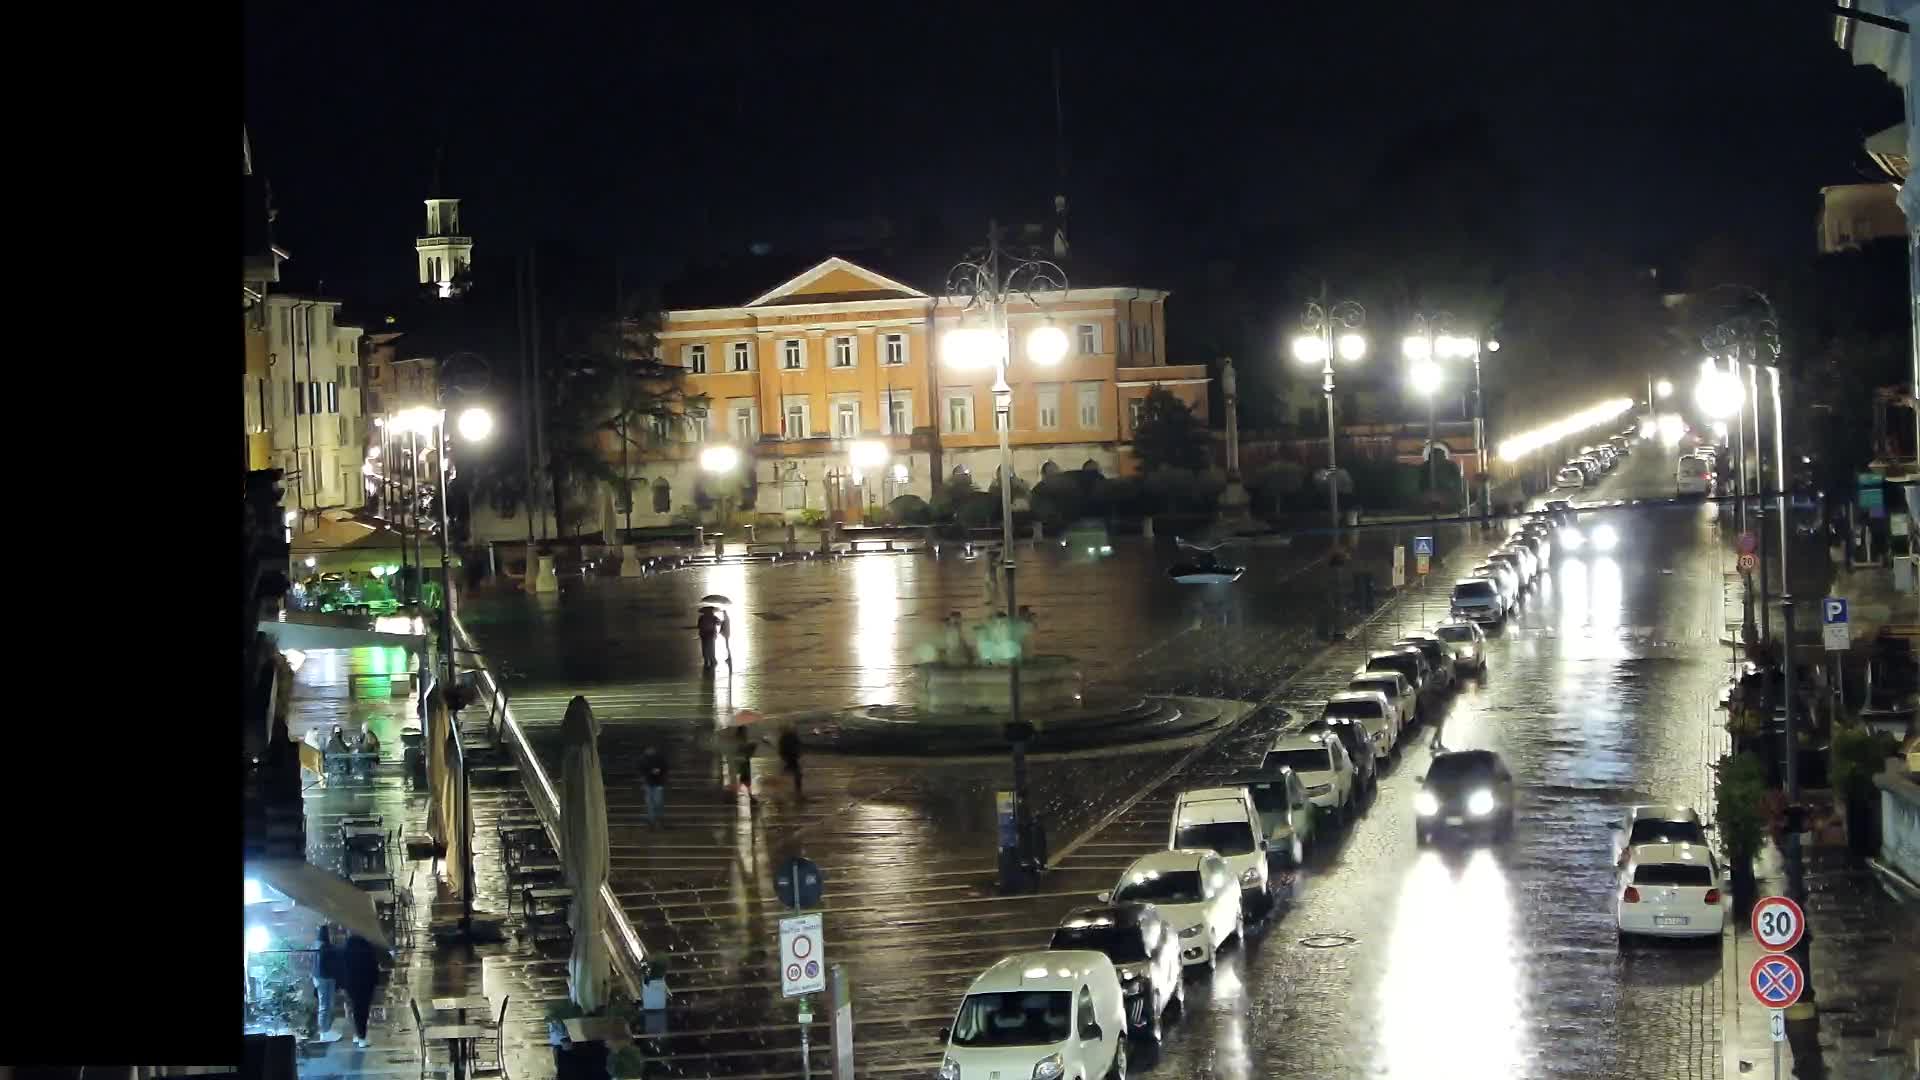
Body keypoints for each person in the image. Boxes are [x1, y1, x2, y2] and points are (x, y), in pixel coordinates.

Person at [339, 931, 382, 1048]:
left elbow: (342, 966)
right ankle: (361, 1036)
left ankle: (358, 1034)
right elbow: (373, 966)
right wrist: (376, 981)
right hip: (365, 983)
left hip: (351, 983)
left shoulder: (347, 946)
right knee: (362, 1011)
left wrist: (342, 984)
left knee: (355, 1009)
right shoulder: (367, 946)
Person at [312, 926, 341, 1040]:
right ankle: (325, 1032)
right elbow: (331, 964)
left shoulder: (317, 946)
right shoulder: (326, 947)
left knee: (325, 1005)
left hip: (320, 978)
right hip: (326, 978)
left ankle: (325, 1030)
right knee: (326, 1005)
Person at [640, 744, 669, 826]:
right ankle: (651, 820)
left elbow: (665, 768)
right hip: (649, 783)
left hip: (658, 783)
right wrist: (649, 773)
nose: (650, 751)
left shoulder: (660, 758)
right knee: (650, 803)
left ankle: (658, 819)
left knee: (658, 802)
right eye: (648, 749)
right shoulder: (643, 759)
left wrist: (659, 771)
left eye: (651, 749)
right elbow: (641, 770)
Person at [730, 724, 757, 805]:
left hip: (742, 763)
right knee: (745, 780)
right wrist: (751, 748)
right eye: (745, 731)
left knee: (744, 780)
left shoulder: (739, 740)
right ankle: (749, 797)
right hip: (743, 764)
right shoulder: (740, 741)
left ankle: (737, 797)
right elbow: (742, 753)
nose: (746, 733)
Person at [778, 726, 804, 799]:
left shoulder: (785, 737)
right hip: (791, 756)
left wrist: (783, 756)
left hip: (790, 757)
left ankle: (781, 789)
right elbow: (799, 745)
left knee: (792, 772)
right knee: (796, 773)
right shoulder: (788, 737)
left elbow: (781, 748)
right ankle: (797, 791)